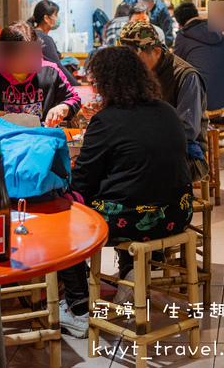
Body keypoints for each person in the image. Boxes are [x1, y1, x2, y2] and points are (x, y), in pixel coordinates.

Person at [61, 46, 194, 336]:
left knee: (62, 220)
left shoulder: (106, 121)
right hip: (177, 215)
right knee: (130, 192)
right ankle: (129, 275)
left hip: (131, 221)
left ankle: (79, 308)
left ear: (106, 83)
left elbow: (83, 182)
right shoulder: (167, 111)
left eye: (95, 82)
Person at [118, 21, 210, 184]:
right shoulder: (136, 71)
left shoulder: (186, 76)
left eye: (137, 60)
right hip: (141, 145)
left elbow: (186, 131)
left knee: (131, 170)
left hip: (184, 154)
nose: (131, 66)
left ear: (156, 52)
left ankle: (145, 208)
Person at [0, 21, 80, 126]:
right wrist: (6, 116)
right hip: (2, 137)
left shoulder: (50, 71)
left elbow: (74, 99)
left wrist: (61, 109)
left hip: (41, 136)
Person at [173, 2, 224, 113]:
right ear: (196, 14)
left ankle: (187, 129)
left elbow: (175, 64)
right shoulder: (218, 33)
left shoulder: (183, 35)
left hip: (199, 100)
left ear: (179, 23)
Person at [29, 0, 79, 87]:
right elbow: (57, 67)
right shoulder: (43, 39)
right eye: (55, 14)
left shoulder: (35, 34)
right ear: (46, 18)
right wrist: (77, 86)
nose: (57, 18)